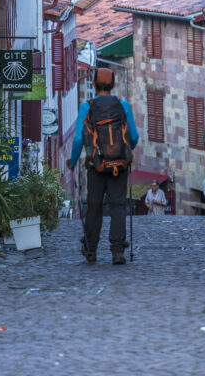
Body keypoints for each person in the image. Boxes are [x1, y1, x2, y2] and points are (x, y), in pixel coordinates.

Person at [67, 67, 139, 265]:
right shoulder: (122, 105)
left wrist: (72, 162)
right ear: (114, 85)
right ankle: (118, 251)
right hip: (119, 165)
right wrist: (125, 151)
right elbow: (133, 136)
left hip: (95, 165)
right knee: (118, 205)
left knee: (94, 207)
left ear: (93, 84)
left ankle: (91, 249)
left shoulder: (87, 106)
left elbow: (79, 139)